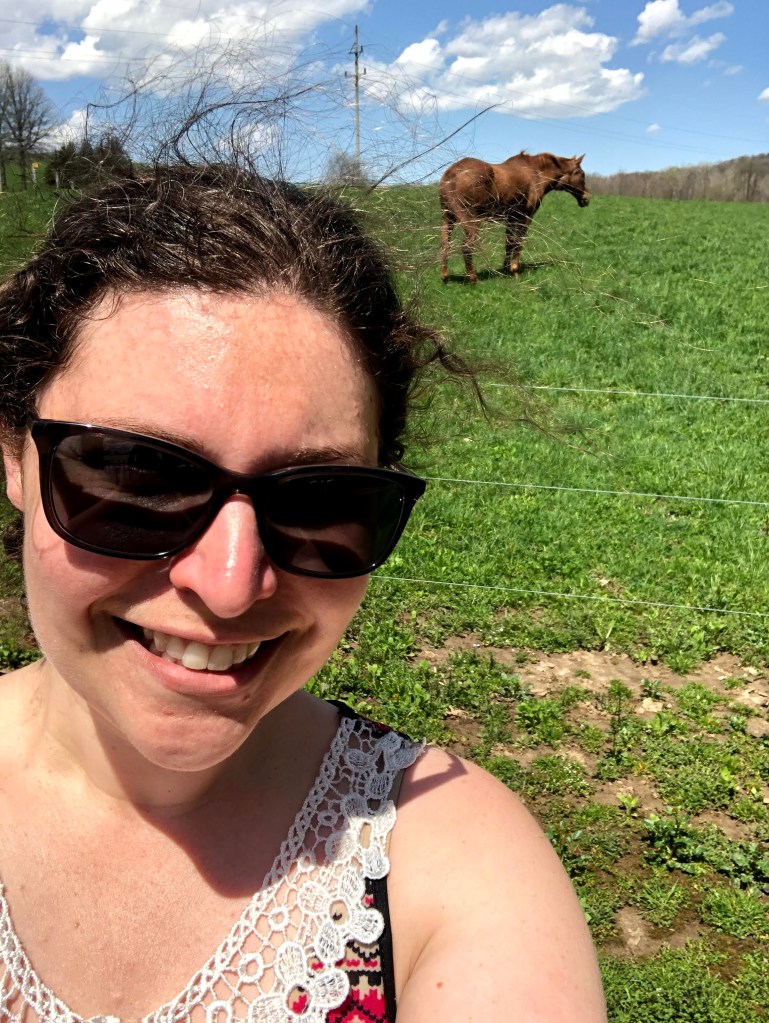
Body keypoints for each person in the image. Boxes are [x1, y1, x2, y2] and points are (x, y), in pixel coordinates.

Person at [0, 164, 606, 1023]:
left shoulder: (454, 859)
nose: (228, 585)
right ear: (14, 456)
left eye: (320, 497)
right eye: (137, 477)